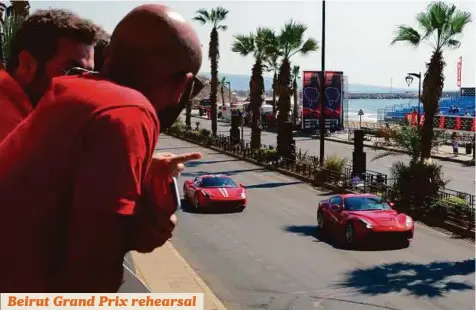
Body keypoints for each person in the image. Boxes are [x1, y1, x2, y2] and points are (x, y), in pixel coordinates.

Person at [0, 3, 202, 293]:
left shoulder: (73, 92)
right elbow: (93, 273)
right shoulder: (127, 112)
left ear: (107, 57)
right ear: (183, 85)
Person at [0, 9, 98, 142]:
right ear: (27, 66)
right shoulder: (8, 122)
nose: (84, 85)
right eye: (74, 71)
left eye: (89, 75)